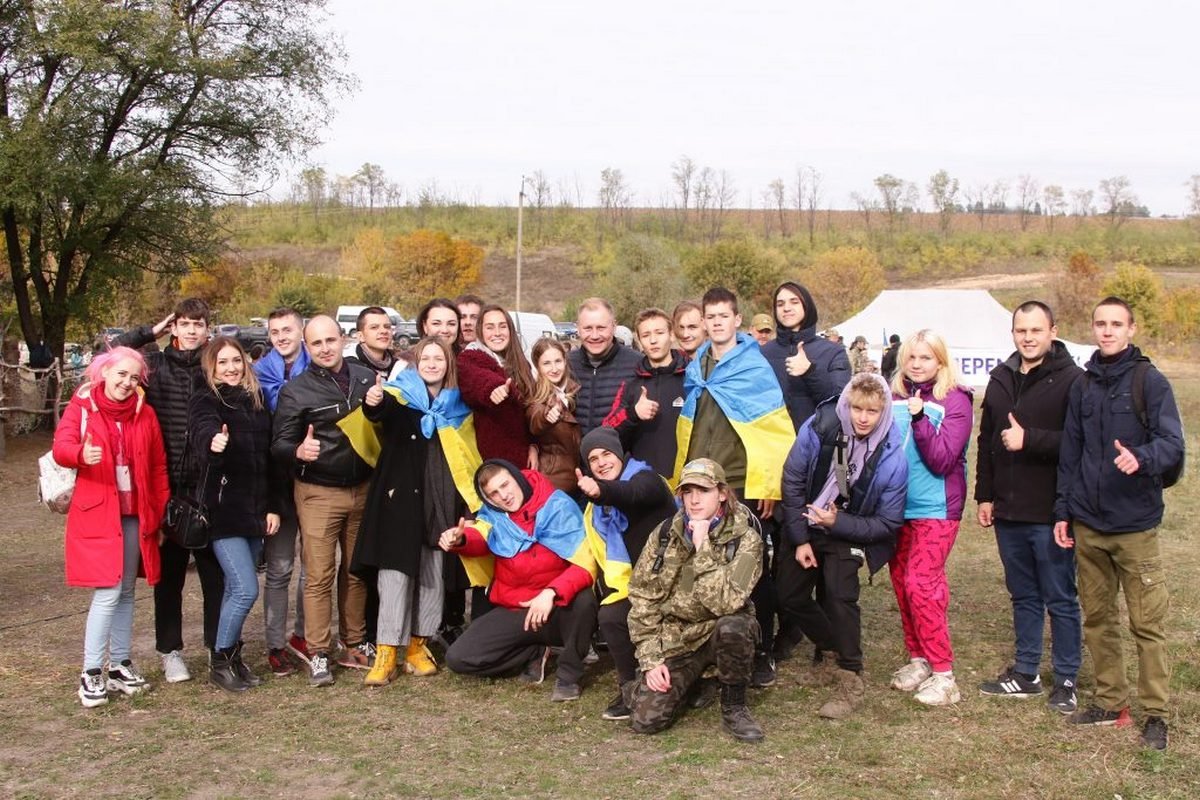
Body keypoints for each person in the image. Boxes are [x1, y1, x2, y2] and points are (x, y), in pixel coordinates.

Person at [1054, 297, 1184, 751]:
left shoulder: (1151, 382)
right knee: (1098, 619)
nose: (1107, 331)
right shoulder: (1084, 385)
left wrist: (1142, 457)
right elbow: (1070, 454)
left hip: (1135, 527)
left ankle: (1156, 714)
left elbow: (1173, 444)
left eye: (1116, 324)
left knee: (1147, 624)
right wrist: (1063, 511)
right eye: (1100, 323)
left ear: (1131, 329)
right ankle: (1111, 703)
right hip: (1089, 524)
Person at [674, 287, 794, 688]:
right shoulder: (696, 368)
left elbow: (774, 433)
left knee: (752, 570)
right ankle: (709, 648)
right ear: (704, 321)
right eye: (711, 316)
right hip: (699, 484)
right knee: (703, 564)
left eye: (724, 315)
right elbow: (689, 426)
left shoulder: (754, 367)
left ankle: (762, 651)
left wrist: (769, 486)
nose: (717, 322)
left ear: (737, 319)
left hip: (740, 482)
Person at [975, 301, 1083, 713]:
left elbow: (1080, 444)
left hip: (1051, 511)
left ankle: (1067, 677)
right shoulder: (1001, 378)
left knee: (1060, 597)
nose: (1028, 337)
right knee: (1023, 594)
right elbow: (986, 440)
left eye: (1036, 330)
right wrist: (985, 495)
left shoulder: (1073, 380)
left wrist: (1031, 440)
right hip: (1008, 510)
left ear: (1053, 331)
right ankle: (1026, 673)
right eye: (1022, 330)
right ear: (1013, 332)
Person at [353, 337, 480, 685]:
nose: (432, 364)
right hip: (401, 500)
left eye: (439, 358)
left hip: (441, 499)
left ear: (448, 365)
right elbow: (377, 414)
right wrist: (373, 401)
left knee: (432, 574)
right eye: (426, 357)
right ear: (415, 362)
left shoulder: (459, 406)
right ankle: (386, 652)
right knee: (394, 576)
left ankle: (416, 645)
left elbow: (468, 454)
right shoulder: (399, 395)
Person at [781, 374, 907, 719]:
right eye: (857, 409)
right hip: (807, 520)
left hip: (849, 529)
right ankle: (829, 647)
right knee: (787, 595)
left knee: (840, 595)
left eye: (872, 411)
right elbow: (792, 479)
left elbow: (888, 522)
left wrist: (839, 523)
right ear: (846, 406)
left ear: (884, 412)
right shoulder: (819, 425)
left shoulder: (892, 458)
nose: (863, 418)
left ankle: (851, 674)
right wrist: (801, 537)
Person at [54, 346, 169, 707]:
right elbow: (61, 448)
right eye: (121, 374)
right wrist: (80, 455)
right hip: (99, 513)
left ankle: (120, 665)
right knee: (107, 592)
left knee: (128, 591)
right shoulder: (82, 407)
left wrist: (159, 512)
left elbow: (157, 467)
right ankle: (91, 672)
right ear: (104, 372)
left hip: (136, 513)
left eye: (134, 377)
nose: (127, 382)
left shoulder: (145, 413)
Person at [115, 299, 222, 684]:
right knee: (169, 576)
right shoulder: (153, 367)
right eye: (185, 323)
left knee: (215, 575)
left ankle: (217, 646)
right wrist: (148, 333)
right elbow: (110, 357)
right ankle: (170, 650)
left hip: (209, 485)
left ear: (208, 328)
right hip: (166, 487)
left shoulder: (215, 367)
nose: (192, 330)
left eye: (199, 324)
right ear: (174, 327)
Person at [625, 458, 765, 742]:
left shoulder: (746, 540)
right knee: (646, 721)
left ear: (722, 493)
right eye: (687, 492)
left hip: (719, 631)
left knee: (735, 626)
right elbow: (642, 597)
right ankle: (696, 682)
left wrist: (703, 547)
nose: (694, 500)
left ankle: (734, 705)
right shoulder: (665, 534)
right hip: (678, 638)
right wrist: (651, 660)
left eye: (703, 491)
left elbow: (726, 602)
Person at [271, 315, 377, 686]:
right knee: (318, 574)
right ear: (305, 344)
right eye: (316, 343)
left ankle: (354, 642)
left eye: (330, 340)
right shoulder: (296, 390)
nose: (325, 348)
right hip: (318, 491)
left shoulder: (365, 377)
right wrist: (298, 449)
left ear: (343, 339)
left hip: (363, 487)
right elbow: (278, 444)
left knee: (356, 571)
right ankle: (317, 651)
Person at [441, 460, 598, 702]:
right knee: (458, 657)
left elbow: (586, 563)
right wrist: (459, 540)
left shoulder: (558, 505)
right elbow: (480, 536)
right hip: (517, 610)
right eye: (493, 493)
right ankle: (534, 651)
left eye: (505, 485)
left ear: (519, 479)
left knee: (584, 599)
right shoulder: (493, 516)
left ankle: (569, 674)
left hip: (556, 607)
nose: (503, 496)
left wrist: (551, 592)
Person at [190, 337, 282, 692]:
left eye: (236, 361)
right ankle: (220, 659)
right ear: (211, 367)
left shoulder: (257, 402)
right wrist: (213, 443)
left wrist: (273, 506)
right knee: (245, 588)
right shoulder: (206, 400)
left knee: (234, 590)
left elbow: (271, 460)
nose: (230, 368)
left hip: (256, 511)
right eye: (222, 362)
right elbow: (201, 433)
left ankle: (233, 657)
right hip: (223, 510)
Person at [887, 329, 973, 706]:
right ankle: (918, 658)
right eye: (912, 357)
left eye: (926, 358)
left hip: (936, 509)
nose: (918, 365)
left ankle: (944, 673)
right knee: (902, 583)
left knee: (922, 583)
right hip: (896, 507)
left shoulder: (956, 400)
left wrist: (920, 419)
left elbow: (941, 459)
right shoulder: (893, 397)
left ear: (941, 361)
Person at [576, 427, 677, 721]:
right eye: (593, 459)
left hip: (673, 584)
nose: (601, 463)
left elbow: (633, 493)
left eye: (606, 454)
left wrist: (602, 492)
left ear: (620, 454)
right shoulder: (596, 512)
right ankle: (628, 687)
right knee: (610, 615)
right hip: (637, 588)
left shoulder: (647, 479)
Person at [252, 307, 310, 676]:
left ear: (300, 330)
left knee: (315, 568)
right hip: (278, 482)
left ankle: (304, 634)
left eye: (287, 329)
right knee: (280, 567)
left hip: (317, 479)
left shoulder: (320, 367)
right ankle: (275, 642)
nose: (282, 336)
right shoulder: (258, 376)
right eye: (275, 332)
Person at [607, 307, 688, 478]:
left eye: (659, 333)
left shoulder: (692, 379)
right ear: (639, 340)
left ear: (672, 334)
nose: (653, 340)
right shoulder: (630, 385)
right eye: (646, 335)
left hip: (685, 484)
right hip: (642, 484)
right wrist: (633, 413)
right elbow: (608, 432)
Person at [457, 304, 537, 469]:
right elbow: (478, 379)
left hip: (524, 459)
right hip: (494, 464)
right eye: (490, 327)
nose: (497, 333)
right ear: (480, 331)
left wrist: (534, 445)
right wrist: (493, 388)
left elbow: (530, 411)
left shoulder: (522, 364)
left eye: (502, 326)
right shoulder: (470, 358)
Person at [568, 297, 640, 436]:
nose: (595, 336)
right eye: (588, 328)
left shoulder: (637, 364)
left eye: (601, 328)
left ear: (614, 327)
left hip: (620, 455)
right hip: (574, 456)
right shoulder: (565, 364)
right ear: (577, 328)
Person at [525, 338, 581, 495]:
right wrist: (546, 417)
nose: (554, 368)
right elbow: (535, 420)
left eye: (558, 361)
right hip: (554, 482)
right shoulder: (537, 399)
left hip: (579, 481)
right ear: (538, 366)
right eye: (547, 363)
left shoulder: (573, 389)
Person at [346, 306, 398, 377]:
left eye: (387, 326)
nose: (384, 331)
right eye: (374, 327)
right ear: (361, 336)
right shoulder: (348, 369)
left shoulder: (400, 366)